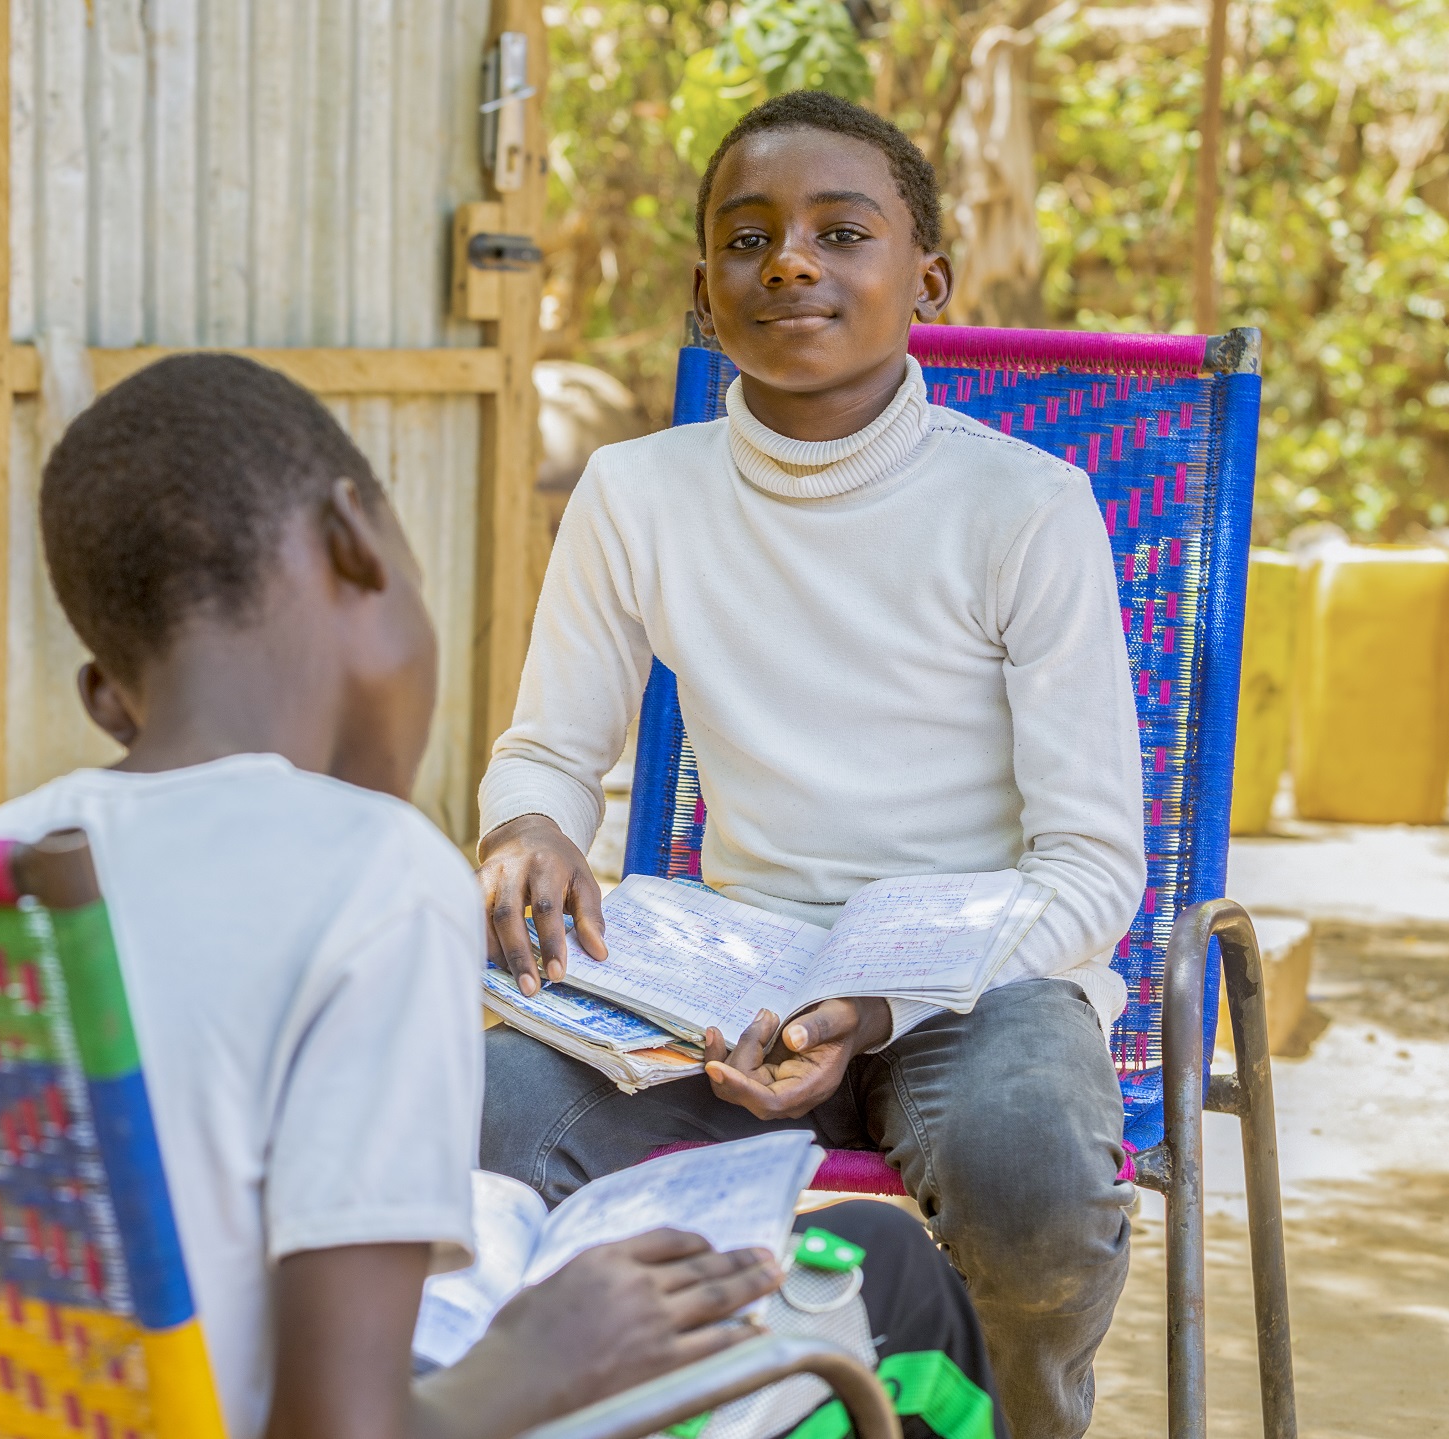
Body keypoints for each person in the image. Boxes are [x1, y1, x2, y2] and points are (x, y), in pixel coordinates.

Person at [0, 353, 1004, 1439]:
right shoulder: (372, 871)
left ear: (104, 694)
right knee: (888, 1281)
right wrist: (547, 1350)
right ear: (355, 545)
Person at [477, 92, 1145, 1439]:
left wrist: (882, 999)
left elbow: (1092, 864)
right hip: (735, 975)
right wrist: (531, 827)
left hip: (974, 973)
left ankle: (1018, 1418)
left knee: (1033, 1175)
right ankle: (662, 1407)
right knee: (488, 1123)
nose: (791, 262)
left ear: (928, 282)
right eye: (749, 237)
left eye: (843, 232)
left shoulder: (1024, 507)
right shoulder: (636, 493)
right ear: (707, 287)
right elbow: (550, 749)